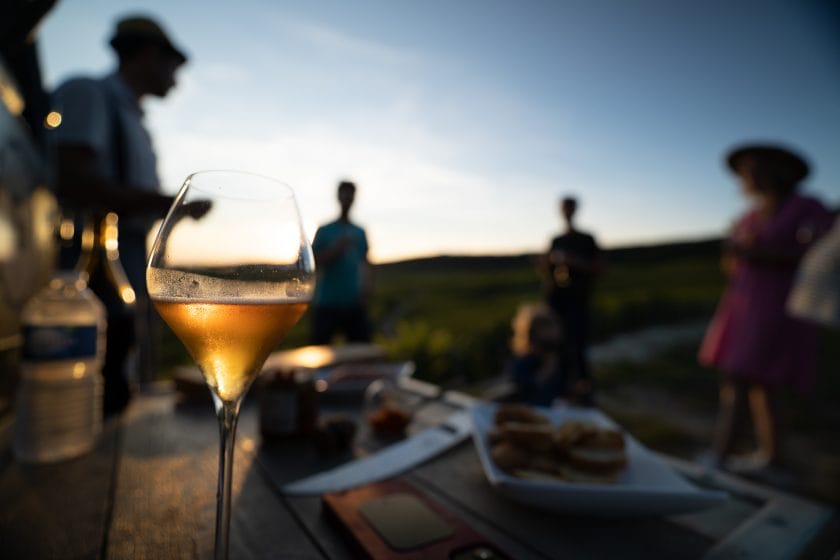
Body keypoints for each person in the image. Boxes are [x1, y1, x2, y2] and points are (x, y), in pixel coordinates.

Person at [51, 14, 189, 414]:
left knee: (128, 377)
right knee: (97, 389)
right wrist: (161, 204)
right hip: (87, 268)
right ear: (148, 55)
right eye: (173, 67)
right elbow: (70, 176)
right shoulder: (88, 93)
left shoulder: (135, 120)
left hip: (130, 260)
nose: (176, 80)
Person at [698, 144, 834, 474]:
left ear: (777, 169)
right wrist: (734, 252)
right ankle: (774, 459)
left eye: (754, 167)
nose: (748, 175)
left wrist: (761, 256)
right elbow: (735, 264)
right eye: (745, 169)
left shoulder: (808, 207)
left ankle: (721, 456)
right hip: (744, 302)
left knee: (740, 375)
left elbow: (824, 255)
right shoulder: (749, 215)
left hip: (779, 304)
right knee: (760, 383)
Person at [540, 195, 603, 405]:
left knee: (578, 346)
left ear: (575, 210)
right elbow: (547, 272)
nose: (566, 212)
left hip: (579, 300)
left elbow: (599, 268)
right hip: (557, 301)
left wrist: (572, 261)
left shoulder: (587, 239)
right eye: (563, 208)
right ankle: (563, 392)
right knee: (559, 346)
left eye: (569, 208)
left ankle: (585, 392)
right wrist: (543, 263)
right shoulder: (556, 240)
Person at [310, 180, 372, 345]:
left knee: (360, 351)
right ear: (338, 196)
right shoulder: (325, 230)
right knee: (320, 353)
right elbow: (311, 263)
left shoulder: (360, 232)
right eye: (344, 193)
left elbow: (366, 264)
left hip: (354, 304)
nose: (347, 197)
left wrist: (366, 292)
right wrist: (335, 249)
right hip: (326, 303)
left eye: (350, 193)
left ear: (354, 198)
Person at [506, 302, 564, 406]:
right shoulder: (522, 363)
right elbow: (522, 390)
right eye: (544, 343)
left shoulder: (559, 359)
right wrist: (544, 373)